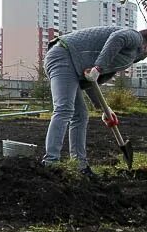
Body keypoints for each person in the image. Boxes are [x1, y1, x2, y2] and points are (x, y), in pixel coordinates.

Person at [42, 26, 147, 176]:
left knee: (81, 115)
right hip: (64, 55)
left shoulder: (122, 55)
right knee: (64, 109)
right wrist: (98, 67)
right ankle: (50, 163)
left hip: (72, 62)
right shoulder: (135, 37)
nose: (144, 57)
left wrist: (104, 109)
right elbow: (118, 37)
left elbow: (90, 78)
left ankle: (80, 165)